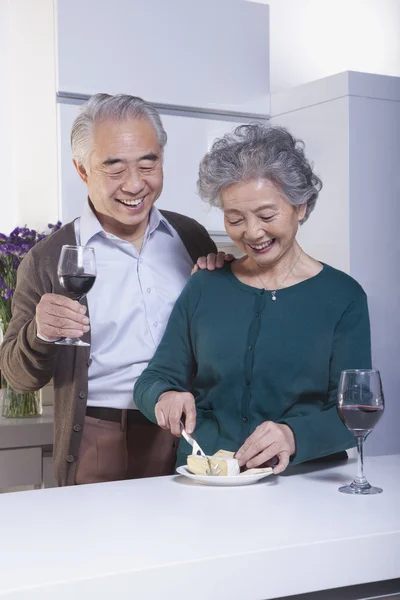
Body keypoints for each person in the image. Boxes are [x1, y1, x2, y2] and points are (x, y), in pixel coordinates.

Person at [0, 94, 230, 486]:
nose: (136, 183)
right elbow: (17, 377)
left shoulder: (189, 236)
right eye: (114, 167)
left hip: (184, 429)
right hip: (96, 435)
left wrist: (227, 284)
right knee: (97, 545)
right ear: (81, 169)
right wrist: (41, 333)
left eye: (148, 162)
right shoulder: (47, 258)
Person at [134, 123, 372, 474]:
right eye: (235, 219)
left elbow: (356, 412)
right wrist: (163, 397)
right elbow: (153, 379)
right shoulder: (205, 286)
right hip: (206, 478)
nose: (252, 232)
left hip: (301, 484)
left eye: (266, 215)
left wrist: (292, 435)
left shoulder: (343, 297)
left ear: (300, 207)